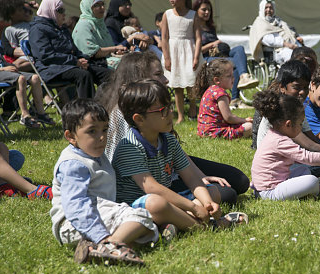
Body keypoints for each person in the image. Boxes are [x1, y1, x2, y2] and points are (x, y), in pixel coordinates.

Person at [99, 51, 249, 204]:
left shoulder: (159, 123)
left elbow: (174, 152)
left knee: (239, 180)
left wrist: (200, 177)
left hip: (165, 167)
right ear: (140, 81)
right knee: (225, 193)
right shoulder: (125, 116)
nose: (165, 80)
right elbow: (144, 180)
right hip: (148, 182)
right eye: (158, 74)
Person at [112, 79, 248, 231]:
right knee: (157, 204)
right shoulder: (129, 147)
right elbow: (153, 189)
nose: (170, 113)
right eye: (162, 110)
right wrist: (195, 208)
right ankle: (209, 225)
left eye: (169, 107)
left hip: (168, 199)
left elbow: (191, 177)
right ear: (139, 119)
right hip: (137, 207)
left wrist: (208, 203)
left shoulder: (168, 139)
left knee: (213, 192)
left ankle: (176, 223)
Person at [50, 98, 157, 266]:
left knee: (144, 222)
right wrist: (101, 235)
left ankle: (101, 248)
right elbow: (76, 206)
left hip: (99, 214)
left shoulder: (94, 153)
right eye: (92, 131)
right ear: (71, 136)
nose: (101, 137)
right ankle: (108, 247)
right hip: (73, 225)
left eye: (105, 129)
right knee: (140, 216)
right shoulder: (73, 164)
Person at [254, 60, 320, 180]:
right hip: (282, 169)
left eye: (305, 87)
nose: (302, 92)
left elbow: (314, 142)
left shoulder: (297, 108)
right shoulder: (281, 112)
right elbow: (309, 145)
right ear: (282, 87)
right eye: (296, 87)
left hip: (297, 157)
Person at [251, 90, 320, 201]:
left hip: (272, 184)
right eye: (300, 124)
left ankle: (306, 191)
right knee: (311, 181)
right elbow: (306, 157)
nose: (301, 127)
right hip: (269, 192)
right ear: (288, 124)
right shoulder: (279, 141)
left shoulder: (275, 135)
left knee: (303, 171)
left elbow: (298, 158)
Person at [29, 0, 112, 99]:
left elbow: (74, 50)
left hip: (69, 65)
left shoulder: (62, 29)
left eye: (64, 10)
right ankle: (87, 110)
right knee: (83, 75)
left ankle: (107, 105)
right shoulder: (38, 29)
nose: (64, 14)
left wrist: (84, 59)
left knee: (107, 74)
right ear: (49, 10)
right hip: (50, 69)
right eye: (60, 10)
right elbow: (45, 56)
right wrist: (75, 61)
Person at [193, 0, 258, 108]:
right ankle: (235, 99)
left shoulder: (211, 27)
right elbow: (196, 50)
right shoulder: (194, 28)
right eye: (204, 9)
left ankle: (244, 76)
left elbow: (217, 42)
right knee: (234, 64)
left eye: (209, 10)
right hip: (205, 57)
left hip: (218, 54)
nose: (207, 12)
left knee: (239, 49)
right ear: (196, 10)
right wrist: (212, 44)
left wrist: (220, 45)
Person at [162, 0, 203, 124]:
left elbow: (198, 37)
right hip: (174, 52)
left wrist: (196, 57)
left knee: (191, 83)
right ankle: (180, 116)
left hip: (189, 51)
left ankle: (192, 107)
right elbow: (164, 38)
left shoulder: (192, 14)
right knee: (177, 86)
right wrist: (167, 57)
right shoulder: (167, 14)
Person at [194, 58, 253, 139]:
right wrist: (244, 120)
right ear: (217, 79)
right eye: (229, 76)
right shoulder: (220, 93)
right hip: (215, 132)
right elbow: (228, 117)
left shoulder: (210, 90)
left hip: (204, 131)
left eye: (233, 75)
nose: (233, 78)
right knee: (250, 126)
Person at [0, 46, 55, 128]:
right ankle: (25, 116)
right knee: (21, 79)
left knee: (35, 78)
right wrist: (4, 69)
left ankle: (40, 113)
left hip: (5, 70)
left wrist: (10, 66)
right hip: (1, 71)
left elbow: (2, 60)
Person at [72, 0, 127, 71]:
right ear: (88, 7)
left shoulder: (100, 23)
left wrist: (116, 52)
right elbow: (92, 52)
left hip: (105, 59)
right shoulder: (83, 25)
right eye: (96, 5)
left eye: (102, 4)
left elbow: (107, 48)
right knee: (127, 64)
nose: (102, 7)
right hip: (92, 63)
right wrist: (115, 48)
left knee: (134, 59)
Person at [249, 0, 303, 64]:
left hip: (291, 46)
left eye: (271, 8)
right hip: (276, 52)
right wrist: (287, 44)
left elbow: (289, 33)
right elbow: (267, 40)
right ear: (262, 9)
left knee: (305, 54)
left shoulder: (278, 21)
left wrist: (297, 41)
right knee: (291, 54)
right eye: (266, 8)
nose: (268, 10)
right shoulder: (259, 23)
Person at [0, 0, 37, 71]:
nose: (26, 13)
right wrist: (27, 52)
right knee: (16, 65)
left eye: (30, 12)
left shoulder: (35, 24)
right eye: (23, 10)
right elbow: (7, 50)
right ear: (11, 13)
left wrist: (38, 7)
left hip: (37, 53)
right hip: (25, 56)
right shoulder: (8, 30)